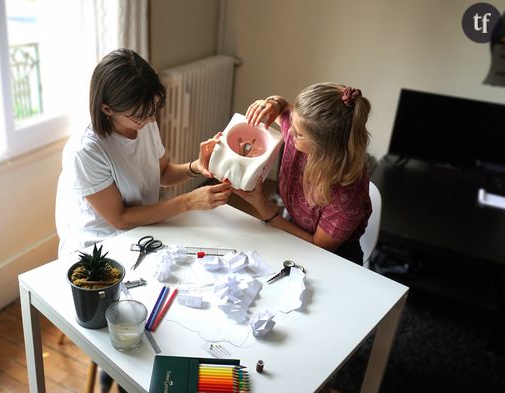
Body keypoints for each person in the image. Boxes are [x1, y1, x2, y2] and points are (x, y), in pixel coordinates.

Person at [55, 48, 231, 393]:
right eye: (141, 114)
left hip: (143, 230)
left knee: (186, 297)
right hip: (100, 248)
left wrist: (197, 168)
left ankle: (122, 368)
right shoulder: (86, 150)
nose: (150, 119)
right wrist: (188, 202)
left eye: (153, 110)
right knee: (153, 319)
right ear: (107, 109)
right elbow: (119, 218)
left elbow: (162, 173)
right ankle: (120, 369)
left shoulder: (143, 122)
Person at [233, 82, 372, 264]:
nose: (289, 131)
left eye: (298, 133)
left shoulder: (346, 194)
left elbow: (317, 248)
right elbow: (283, 107)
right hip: (296, 227)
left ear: (323, 148)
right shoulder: (302, 132)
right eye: (293, 123)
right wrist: (274, 102)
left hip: (334, 259)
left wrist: (261, 204)